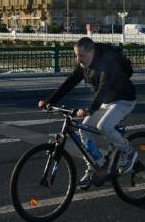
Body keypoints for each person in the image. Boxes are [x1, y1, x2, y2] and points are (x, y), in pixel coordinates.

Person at [39, 37, 137, 190]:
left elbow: (103, 87)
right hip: (106, 102)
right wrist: (49, 101)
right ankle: (95, 167)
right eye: (76, 56)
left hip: (123, 100)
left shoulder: (107, 63)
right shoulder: (83, 65)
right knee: (84, 130)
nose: (79, 59)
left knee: (104, 126)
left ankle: (128, 153)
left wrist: (90, 109)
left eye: (82, 56)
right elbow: (70, 82)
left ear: (92, 52)